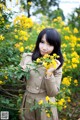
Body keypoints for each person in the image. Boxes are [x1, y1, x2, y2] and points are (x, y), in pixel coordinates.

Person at [19, 28, 64, 120]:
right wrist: (22, 73)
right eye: (42, 42)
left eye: (50, 44)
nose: (44, 47)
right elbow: (20, 81)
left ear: (56, 47)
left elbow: (53, 93)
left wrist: (49, 72)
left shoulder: (56, 65)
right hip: (28, 102)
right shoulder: (27, 58)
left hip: (46, 105)